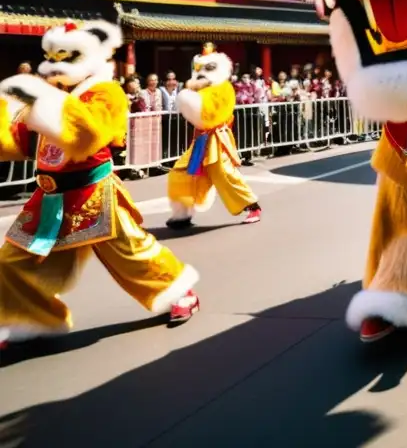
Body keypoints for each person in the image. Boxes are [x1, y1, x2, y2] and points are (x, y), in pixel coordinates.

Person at [0, 21, 199, 348]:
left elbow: (87, 136)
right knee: (12, 260)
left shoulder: (106, 92)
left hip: (94, 191)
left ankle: (179, 291)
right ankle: (31, 317)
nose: (54, 67)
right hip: (49, 196)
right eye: (50, 58)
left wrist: (41, 102)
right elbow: (18, 141)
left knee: (133, 253)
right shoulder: (52, 94)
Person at [164, 43, 261, 229]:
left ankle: (252, 206)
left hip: (217, 140)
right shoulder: (199, 89)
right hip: (201, 141)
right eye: (200, 68)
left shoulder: (224, 88)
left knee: (226, 175)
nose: (202, 72)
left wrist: (189, 101)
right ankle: (182, 214)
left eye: (208, 68)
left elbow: (209, 115)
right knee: (182, 173)